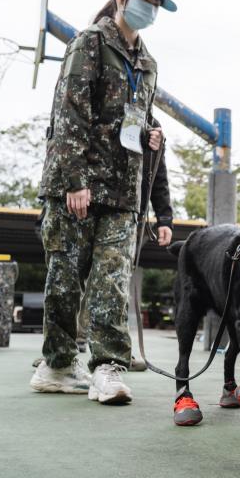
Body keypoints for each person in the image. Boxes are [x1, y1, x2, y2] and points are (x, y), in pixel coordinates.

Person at [30, 0, 177, 404]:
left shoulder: (147, 64)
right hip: (77, 187)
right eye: (144, 0)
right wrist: (75, 181)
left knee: (111, 281)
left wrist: (161, 208)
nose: (150, 9)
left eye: (156, 3)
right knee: (65, 281)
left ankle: (108, 368)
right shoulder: (89, 43)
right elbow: (69, 113)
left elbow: (144, 127)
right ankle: (56, 364)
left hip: (122, 192)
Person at [74, 130, 174, 367]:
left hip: (127, 212)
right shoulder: (96, 103)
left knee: (116, 281)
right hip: (86, 205)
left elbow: (158, 175)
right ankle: (62, 349)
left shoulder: (152, 125)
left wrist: (164, 219)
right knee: (72, 277)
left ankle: (117, 348)